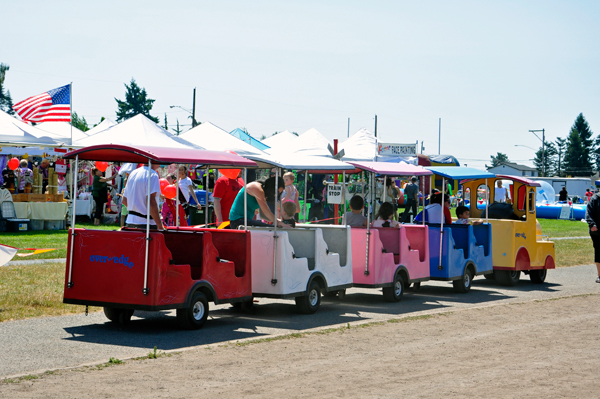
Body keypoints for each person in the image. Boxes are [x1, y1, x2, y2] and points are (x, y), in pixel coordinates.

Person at [122, 164, 164, 230]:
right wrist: (160, 225)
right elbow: (151, 202)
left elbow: (124, 200)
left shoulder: (133, 173)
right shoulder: (152, 174)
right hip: (145, 223)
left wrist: (136, 209)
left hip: (130, 221)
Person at [585, 190, 600, 283]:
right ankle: (599, 275)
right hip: (597, 231)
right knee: (599, 252)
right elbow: (588, 213)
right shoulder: (595, 199)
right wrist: (592, 225)